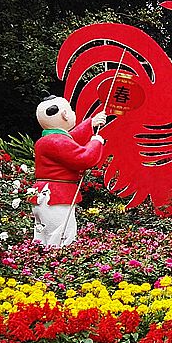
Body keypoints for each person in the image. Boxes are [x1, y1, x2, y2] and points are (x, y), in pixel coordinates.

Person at [31, 95, 106, 246]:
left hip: (45, 195)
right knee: (61, 236)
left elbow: (69, 140)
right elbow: (84, 158)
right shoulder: (56, 141)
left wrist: (90, 123)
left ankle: (38, 259)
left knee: (42, 237)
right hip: (56, 196)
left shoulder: (47, 140)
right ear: (65, 114)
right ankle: (57, 260)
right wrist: (96, 142)